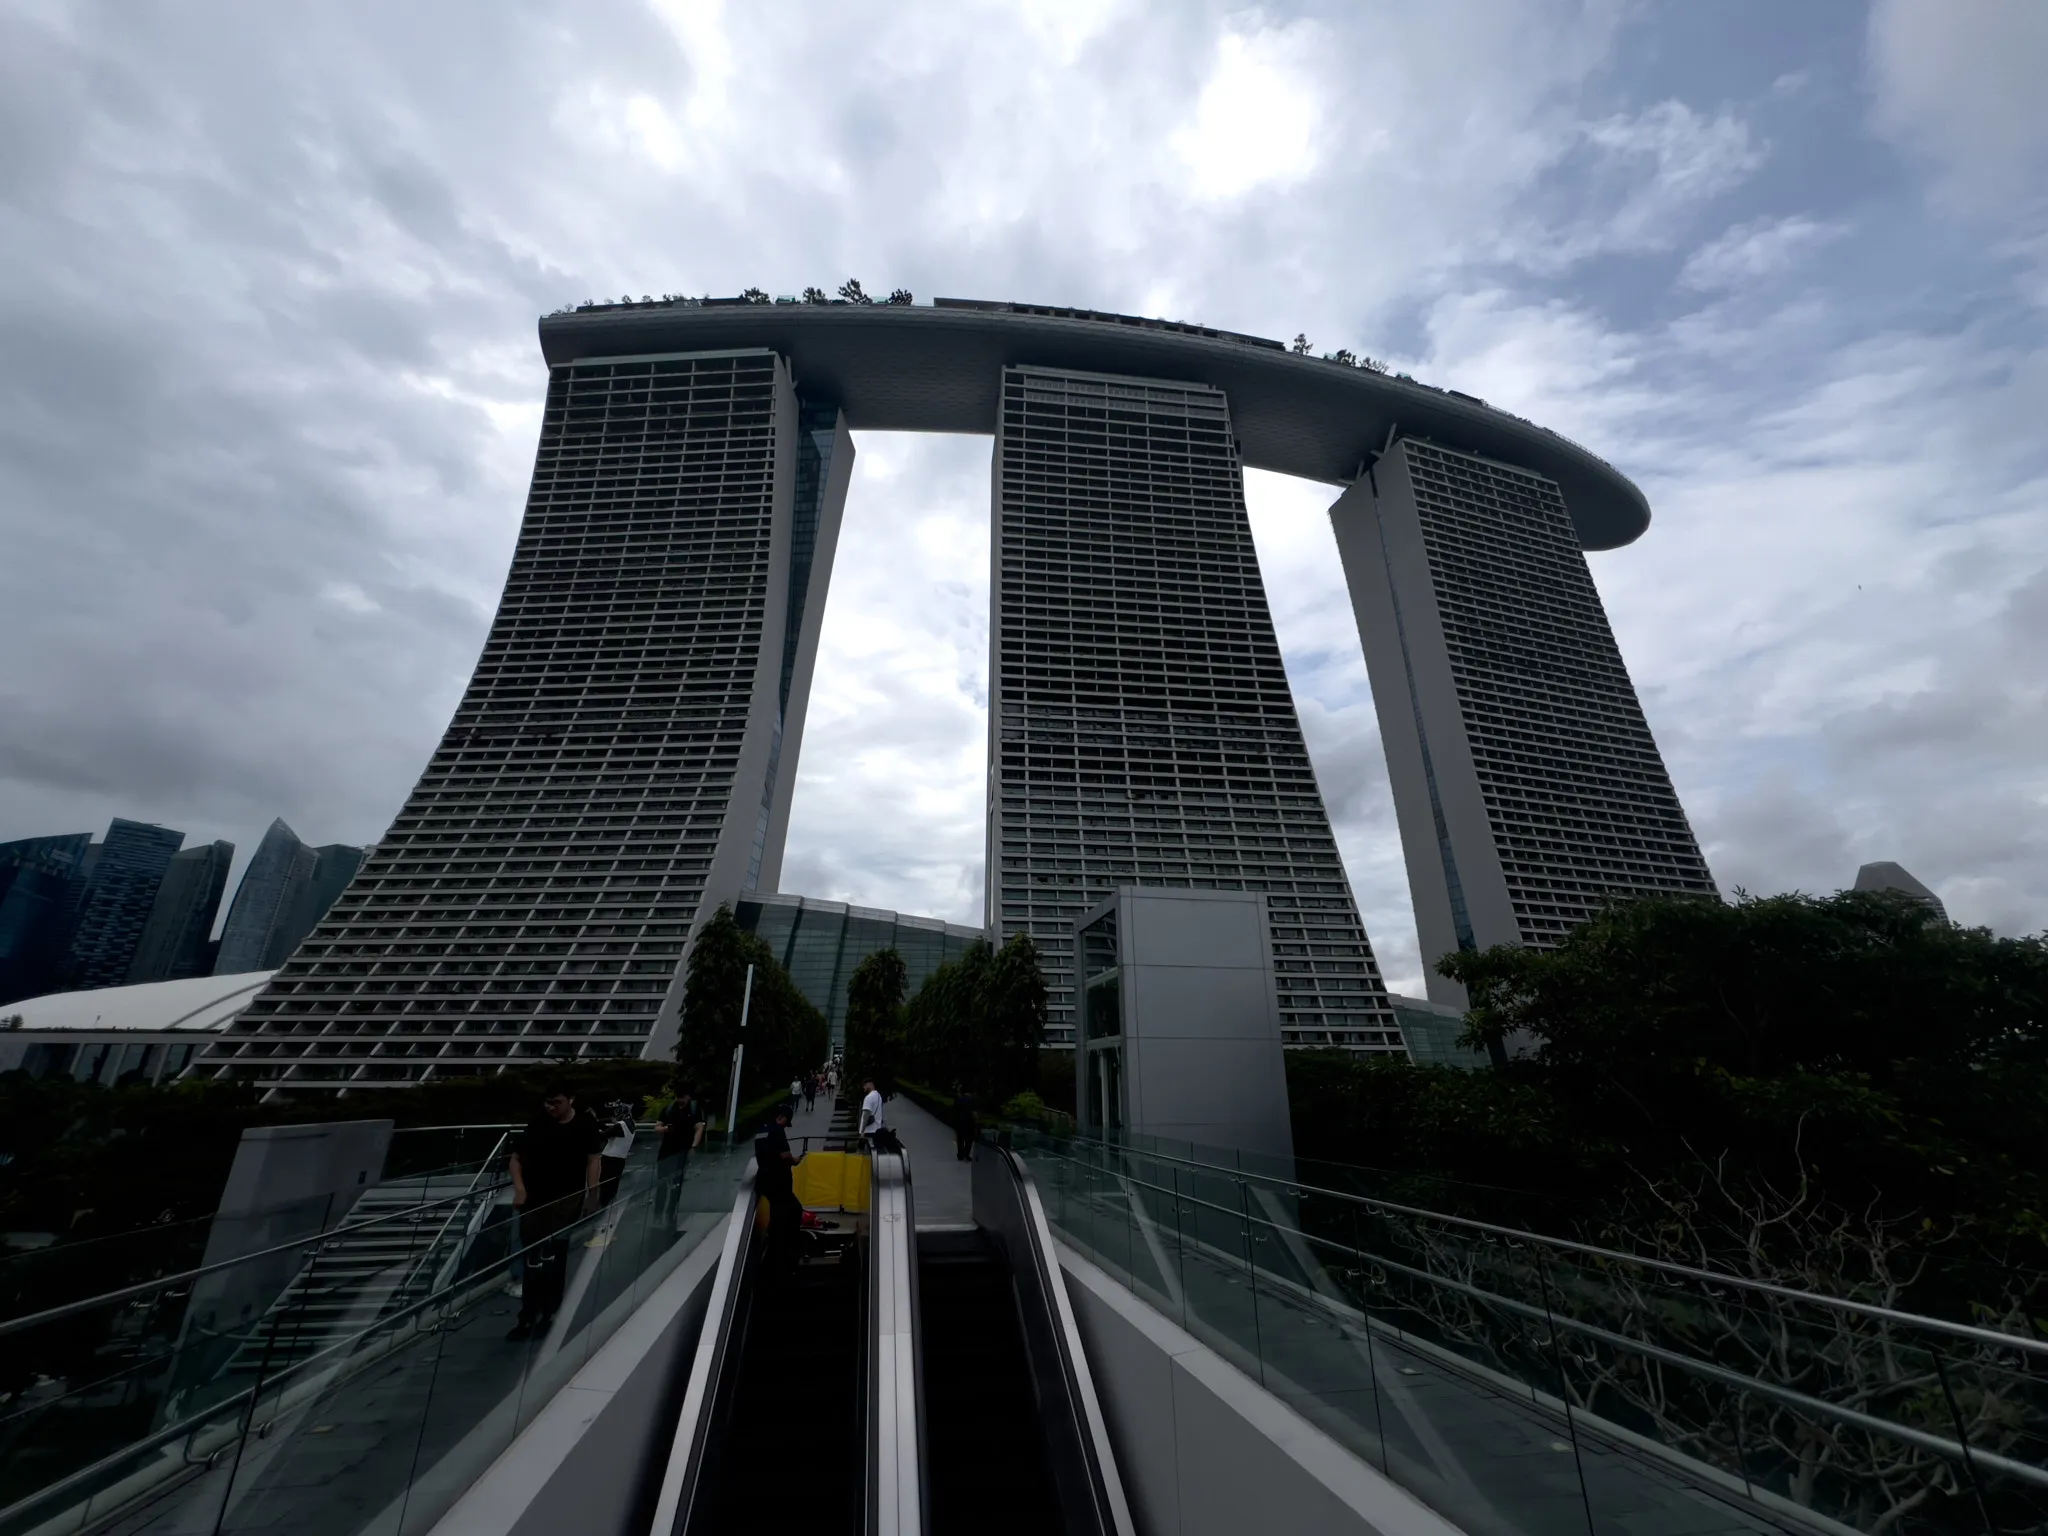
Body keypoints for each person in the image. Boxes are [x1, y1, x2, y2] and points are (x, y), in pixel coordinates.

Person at [506, 1082, 602, 1341]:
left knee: (555, 1254)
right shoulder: (537, 1123)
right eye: (547, 1103)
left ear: (570, 1100)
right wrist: (520, 1189)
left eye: (556, 1103)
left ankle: (548, 1311)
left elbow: (593, 1159)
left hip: (567, 1197)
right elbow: (515, 1158)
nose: (551, 1108)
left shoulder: (584, 1124)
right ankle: (528, 1314)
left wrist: (593, 1195)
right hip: (534, 1197)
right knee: (532, 1256)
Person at [754, 1103, 805, 1277]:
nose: (786, 1125)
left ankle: (775, 1247)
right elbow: (785, 1156)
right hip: (778, 1181)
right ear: (781, 1117)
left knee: (778, 1211)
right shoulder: (777, 1130)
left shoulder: (761, 1129)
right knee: (793, 1210)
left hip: (764, 1180)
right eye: (786, 1121)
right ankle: (785, 1253)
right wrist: (796, 1160)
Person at [653, 1086, 706, 1221]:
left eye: (682, 1097)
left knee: (677, 1183)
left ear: (688, 1097)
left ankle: (671, 1211)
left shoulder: (694, 1110)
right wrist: (665, 1129)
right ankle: (658, 1213)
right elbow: (657, 1127)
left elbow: (699, 1128)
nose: (680, 1100)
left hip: (682, 1151)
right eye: (678, 1097)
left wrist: (693, 1146)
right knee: (662, 1183)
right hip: (666, 1151)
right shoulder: (669, 1109)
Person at [595, 1100, 634, 1210]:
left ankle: (602, 1208)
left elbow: (603, 1135)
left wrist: (594, 1127)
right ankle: (608, 1208)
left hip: (609, 1159)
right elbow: (610, 1131)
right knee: (613, 1186)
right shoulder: (630, 1124)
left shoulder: (620, 1125)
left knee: (605, 1185)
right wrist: (598, 1124)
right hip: (620, 1160)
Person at [858, 1077, 886, 1151]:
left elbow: (865, 1116)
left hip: (868, 1131)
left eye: (864, 1085)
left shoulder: (869, 1097)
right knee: (874, 1154)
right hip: (877, 1130)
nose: (863, 1087)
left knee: (864, 1155)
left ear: (869, 1084)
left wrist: (862, 1132)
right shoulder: (878, 1096)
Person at [952, 1087, 977, 1162]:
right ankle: (966, 1154)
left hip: (959, 1121)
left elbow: (954, 1110)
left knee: (960, 1138)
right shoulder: (972, 1100)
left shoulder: (958, 1099)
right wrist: (976, 1121)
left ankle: (960, 1154)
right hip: (969, 1122)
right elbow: (974, 1113)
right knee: (970, 1138)